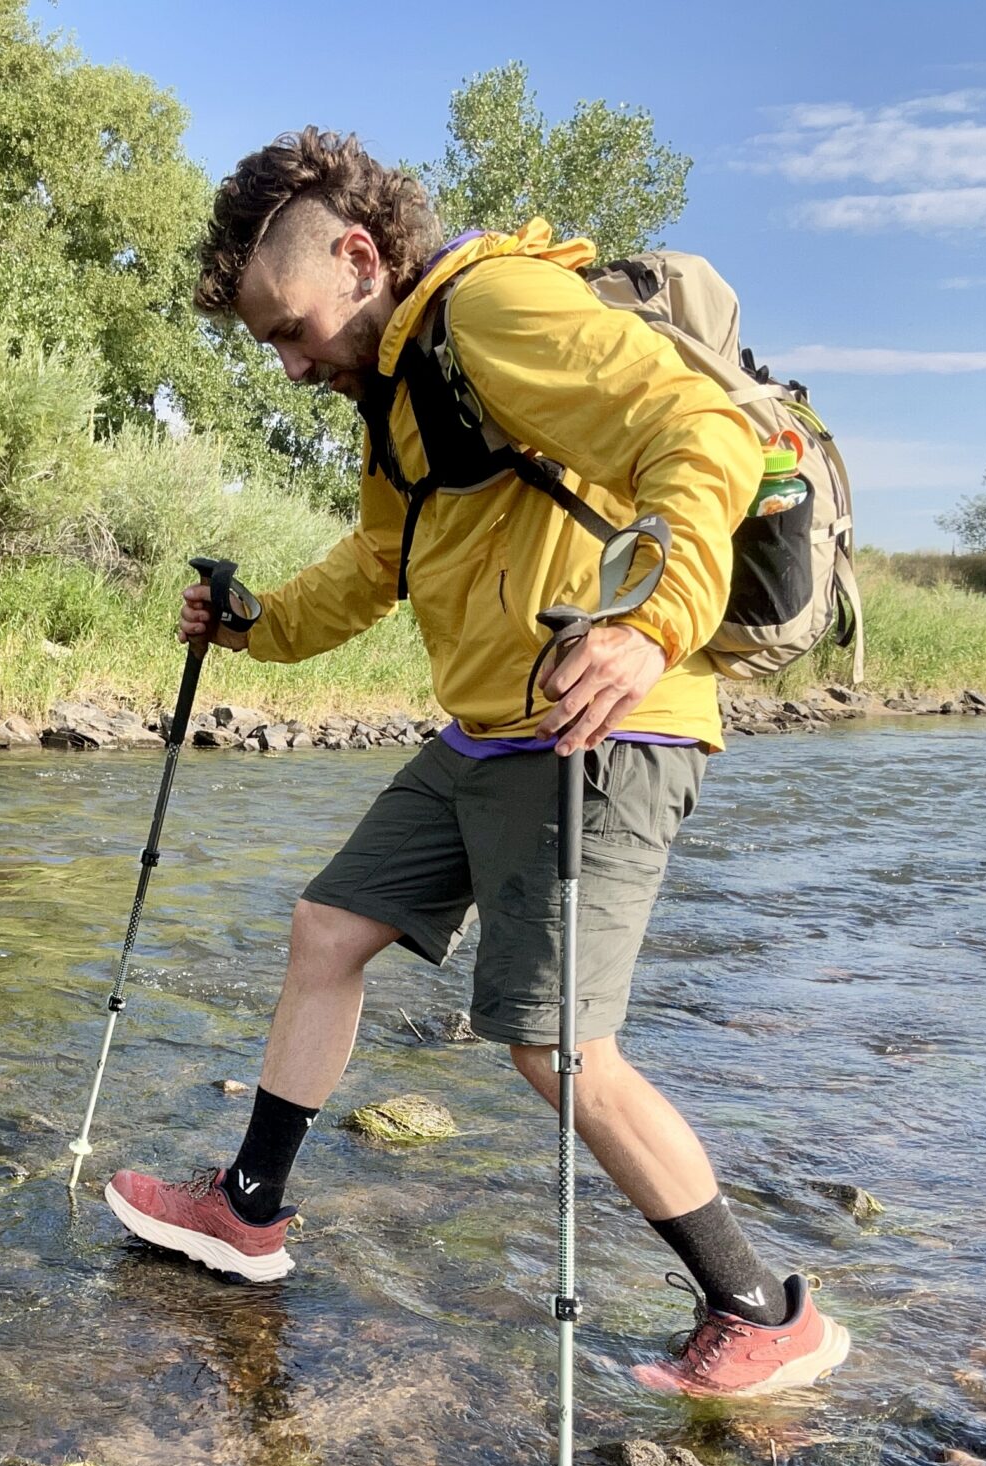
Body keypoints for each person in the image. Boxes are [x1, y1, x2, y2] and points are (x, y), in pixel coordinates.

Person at [101, 129, 849, 1399]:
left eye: (290, 329)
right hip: (483, 730)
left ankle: (761, 1308)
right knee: (328, 928)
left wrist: (650, 622)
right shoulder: (395, 385)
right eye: (268, 345)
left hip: (603, 724)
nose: (288, 366)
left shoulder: (495, 305)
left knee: (558, 1048)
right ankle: (248, 1206)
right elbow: (378, 564)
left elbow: (702, 433)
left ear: (356, 253)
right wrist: (254, 626)